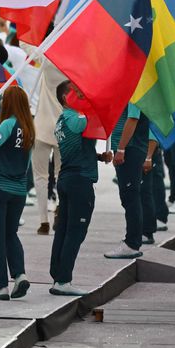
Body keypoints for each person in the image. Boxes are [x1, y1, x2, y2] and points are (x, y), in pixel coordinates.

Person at [49, 81, 113, 296]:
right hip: (79, 181)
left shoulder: (62, 119)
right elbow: (85, 122)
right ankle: (63, 280)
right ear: (66, 97)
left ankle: (57, 274)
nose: (82, 94)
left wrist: (97, 156)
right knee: (76, 232)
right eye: (76, 92)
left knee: (65, 230)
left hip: (68, 177)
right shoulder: (74, 117)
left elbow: (74, 146)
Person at [0, 85, 35, 300]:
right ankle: (20, 274)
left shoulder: (7, 123)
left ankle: (2, 286)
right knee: (11, 234)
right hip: (18, 189)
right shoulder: (29, 127)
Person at [105, 104, 157, 258]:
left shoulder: (135, 94)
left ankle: (132, 243)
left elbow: (133, 118)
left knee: (131, 197)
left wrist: (121, 149)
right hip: (130, 149)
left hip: (131, 149)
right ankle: (132, 240)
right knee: (129, 197)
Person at [31, 60, 66, 234]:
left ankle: (43, 221)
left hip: (42, 128)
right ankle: (60, 208)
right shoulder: (73, 65)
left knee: (40, 177)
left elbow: (26, 44)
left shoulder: (47, 61)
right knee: (61, 174)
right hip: (63, 127)